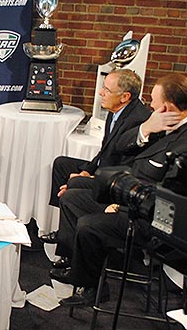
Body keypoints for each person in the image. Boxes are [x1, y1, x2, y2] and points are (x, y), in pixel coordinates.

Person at [49, 73, 187, 306]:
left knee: (88, 225)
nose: (149, 105)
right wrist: (146, 128)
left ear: (167, 107)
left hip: (148, 218)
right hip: (130, 192)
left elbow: (168, 199)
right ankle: (78, 265)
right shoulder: (163, 122)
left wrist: (121, 206)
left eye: (153, 100)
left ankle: (93, 289)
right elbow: (120, 146)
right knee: (72, 196)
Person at [43, 69, 151, 268]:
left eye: (107, 90)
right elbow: (104, 151)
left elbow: (127, 167)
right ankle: (66, 228)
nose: (101, 93)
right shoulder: (114, 112)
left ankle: (69, 252)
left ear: (125, 97)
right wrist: (87, 170)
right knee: (61, 164)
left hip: (114, 181)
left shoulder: (137, 120)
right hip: (102, 169)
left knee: (72, 189)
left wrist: (93, 178)